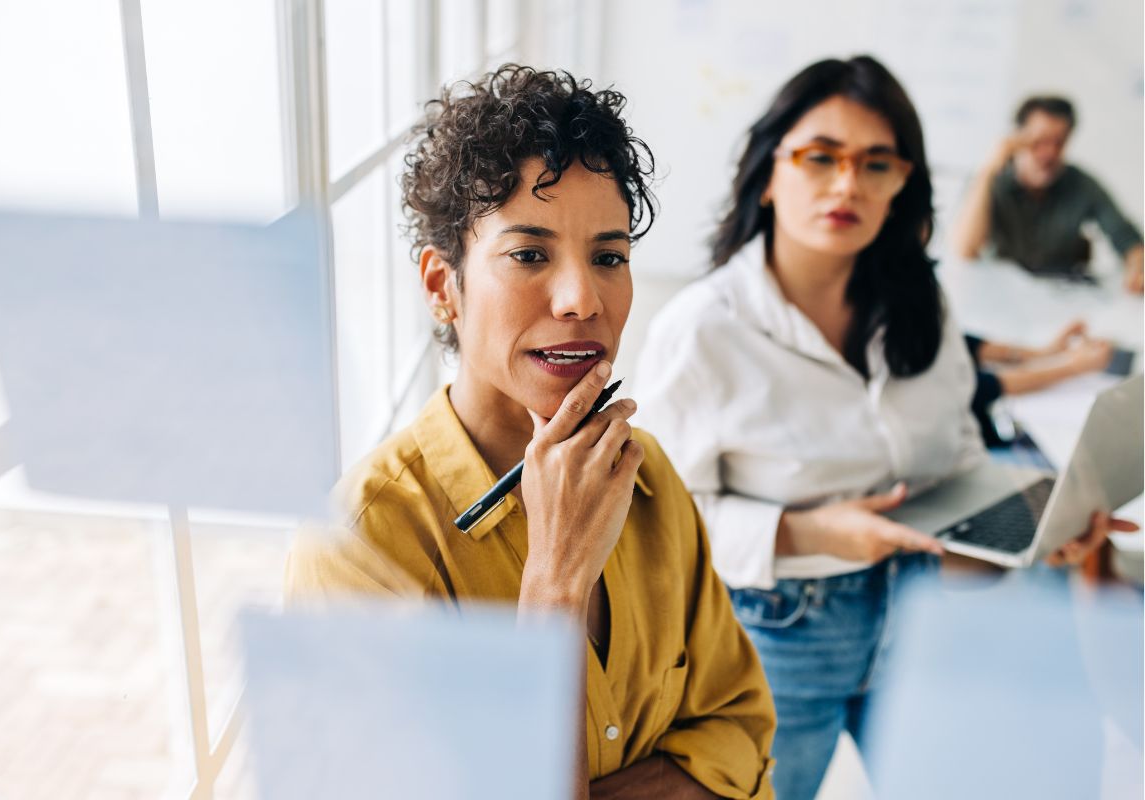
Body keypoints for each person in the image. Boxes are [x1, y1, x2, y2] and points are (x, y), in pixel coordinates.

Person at [633, 56, 1136, 800]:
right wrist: (814, 533)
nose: (848, 185)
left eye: (876, 163)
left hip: (926, 616)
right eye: (821, 157)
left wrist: (1034, 532)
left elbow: (957, 463)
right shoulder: (703, 330)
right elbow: (659, 530)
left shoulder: (919, 303)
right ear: (770, 173)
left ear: (903, 182)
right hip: (772, 636)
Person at [285, 65, 776, 800]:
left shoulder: (650, 480)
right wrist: (554, 583)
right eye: (528, 254)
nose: (583, 299)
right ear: (440, 286)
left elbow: (743, 730)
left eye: (609, 257)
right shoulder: (360, 548)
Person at [951, 95, 1144, 292]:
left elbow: (1126, 237)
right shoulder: (990, 180)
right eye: (1039, 141)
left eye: (1059, 143)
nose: (1049, 153)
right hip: (1001, 295)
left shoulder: (1080, 183)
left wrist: (1137, 267)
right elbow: (965, 250)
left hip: (1060, 296)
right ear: (1017, 138)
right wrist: (988, 171)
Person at [965, 320, 1113, 447]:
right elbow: (986, 386)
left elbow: (965, 345)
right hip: (990, 434)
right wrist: (1075, 367)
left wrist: (1045, 353)